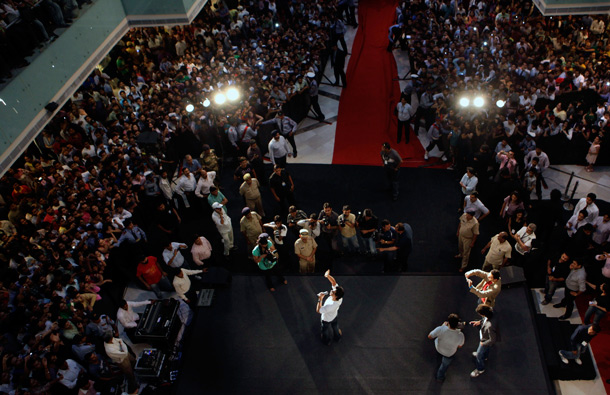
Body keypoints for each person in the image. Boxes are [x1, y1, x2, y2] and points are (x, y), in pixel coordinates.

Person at [428, 313, 465, 382]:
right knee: (444, 365)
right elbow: (460, 346)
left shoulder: (440, 329)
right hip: (449, 353)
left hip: (438, 348)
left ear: (448, 323)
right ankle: (440, 377)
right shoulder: (460, 335)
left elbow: (430, 336)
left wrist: (442, 326)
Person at [469, 304, 498, 378]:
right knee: (486, 349)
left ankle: (480, 369)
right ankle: (484, 356)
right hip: (485, 338)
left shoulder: (490, 326)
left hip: (485, 340)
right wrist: (479, 322)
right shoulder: (490, 312)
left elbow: (492, 340)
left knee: (479, 355)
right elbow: (484, 319)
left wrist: (483, 343)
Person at [317, 270, 344, 345]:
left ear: (336, 296)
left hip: (326, 320)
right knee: (335, 327)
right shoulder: (340, 298)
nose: (332, 290)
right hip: (334, 316)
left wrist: (320, 299)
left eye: (334, 291)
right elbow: (334, 283)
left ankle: (326, 340)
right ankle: (337, 337)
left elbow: (319, 310)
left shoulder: (330, 306)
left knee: (325, 330)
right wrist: (328, 276)